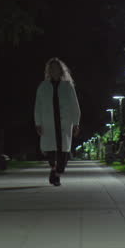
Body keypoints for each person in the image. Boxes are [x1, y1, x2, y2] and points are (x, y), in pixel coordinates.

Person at [34, 57, 81, 186]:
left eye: (57, 68)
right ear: (48, 71)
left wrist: (76, 123)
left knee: (63, 151)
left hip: (64, 123)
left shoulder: (67, 86)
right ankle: (54, 171)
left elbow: (74, 105)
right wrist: (38, 123)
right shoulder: (43, 87)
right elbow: (37, 106)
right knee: (51, 150)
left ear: (61, 71)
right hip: (48, 122)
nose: (54, 70)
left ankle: (58, 172)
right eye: (52, 68)